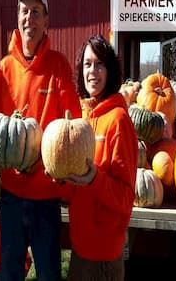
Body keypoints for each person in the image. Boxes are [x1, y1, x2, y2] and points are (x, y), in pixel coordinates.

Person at [0, 0, 82, 280]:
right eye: (24, 11)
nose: (30, 18)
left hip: (46, 197)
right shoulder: (4, 69)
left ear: (46, 20)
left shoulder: (59, 66)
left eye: (36, 12)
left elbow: (72, 128)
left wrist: (42, 164)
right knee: (9, 275)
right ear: (17, 18)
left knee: (50, 274)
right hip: (12, 197)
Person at [60, 34, 138, 280]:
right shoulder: (81, 120)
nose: (93, 71)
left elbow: (125, 197)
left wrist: (95, 179)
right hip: (80, 250)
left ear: (110, 69)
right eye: (87, 64)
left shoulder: (118, 120)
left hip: (104, 257)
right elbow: (75, 192)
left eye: (100, 63)